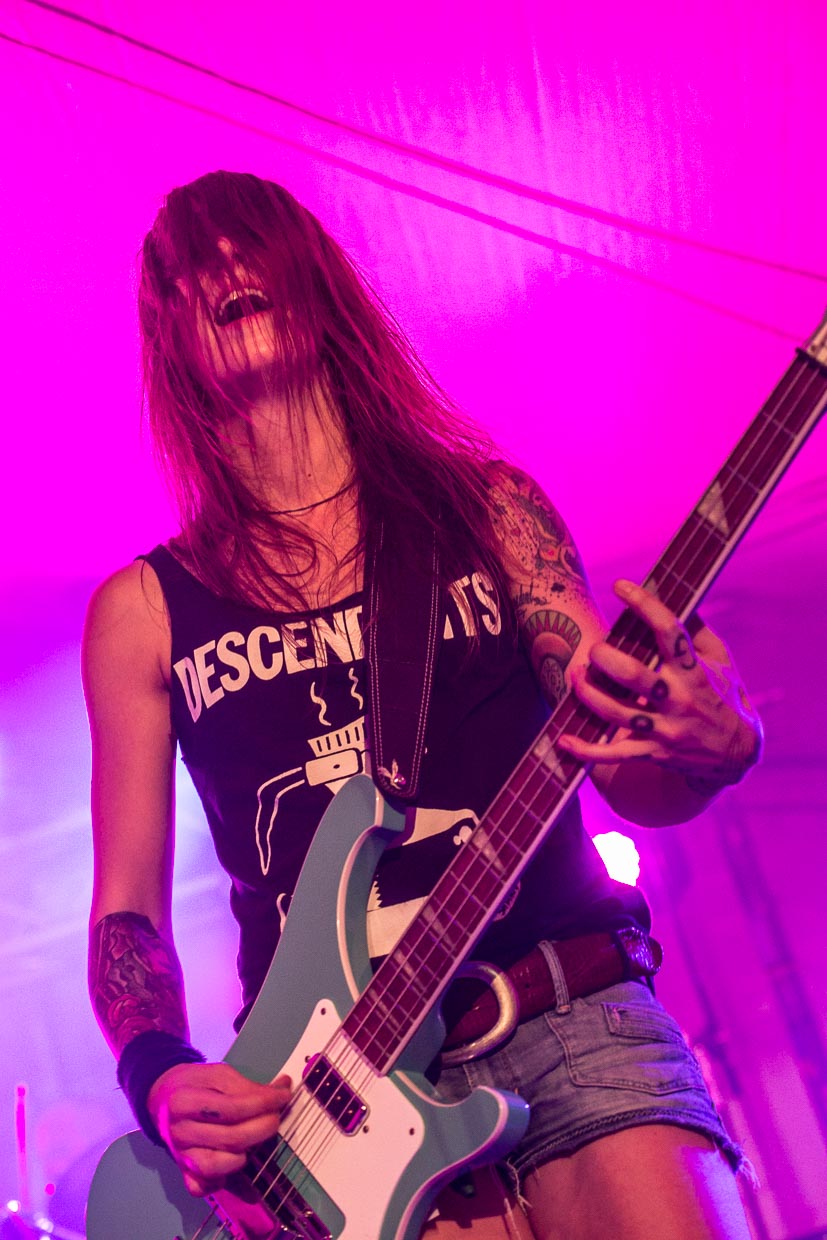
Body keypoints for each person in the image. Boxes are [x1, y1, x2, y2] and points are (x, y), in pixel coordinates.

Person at [83, 170, 762, 1239]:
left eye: (246, 240)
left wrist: (708, 747)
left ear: (313, 280)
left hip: (566, 1008)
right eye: (183, 270)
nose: (220, 268)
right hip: (327, 1107)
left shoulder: (488, 509)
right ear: (167, 335)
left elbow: (631, 776)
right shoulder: (141, 611)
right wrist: (158, 1068)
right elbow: (126, 913)